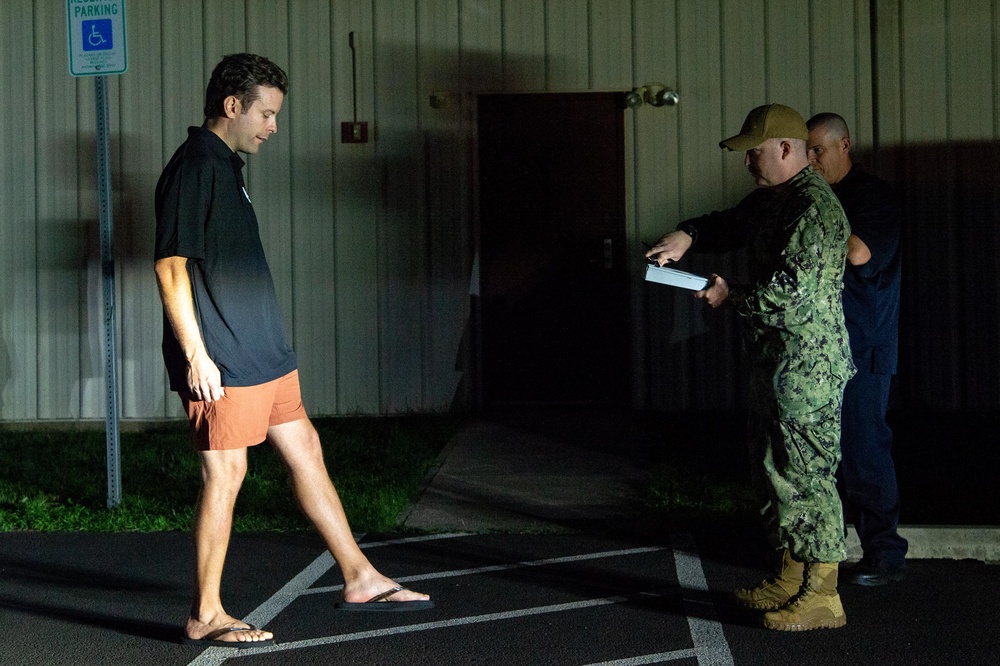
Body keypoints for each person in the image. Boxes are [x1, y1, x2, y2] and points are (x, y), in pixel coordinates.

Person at [154, 53, 431, 648]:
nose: (273, 126)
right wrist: (197, 356)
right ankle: (207, 612)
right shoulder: (196, 167)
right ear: (233, 106)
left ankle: (360, 576)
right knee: (226, 473)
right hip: (223, 353)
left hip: (264, 349)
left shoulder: (227, 165)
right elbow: (170, 266)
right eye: (267, 113)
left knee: (306, 447)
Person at [646, 104, 855, 631]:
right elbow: (729, 225)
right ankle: (790, 576)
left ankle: (823, 594)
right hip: (778, 363)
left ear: (785, 149)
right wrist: (687, 234)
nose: (746, 164)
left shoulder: (814, 208)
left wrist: (728, 295)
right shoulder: (776, 200)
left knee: (808, 475)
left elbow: (794, 294)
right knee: (773, 469)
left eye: (754, 152)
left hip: (808, 368)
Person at [806, 112, 907, 585]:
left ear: (843, 145)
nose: (811, 161)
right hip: (824, 347)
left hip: (863, 344)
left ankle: (885, 555)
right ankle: (828, 550)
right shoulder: (818, 195)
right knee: (826, 452)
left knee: (864, 449)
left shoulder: (871, 196)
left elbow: (859, 253)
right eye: (805, 152)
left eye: (818, 151)